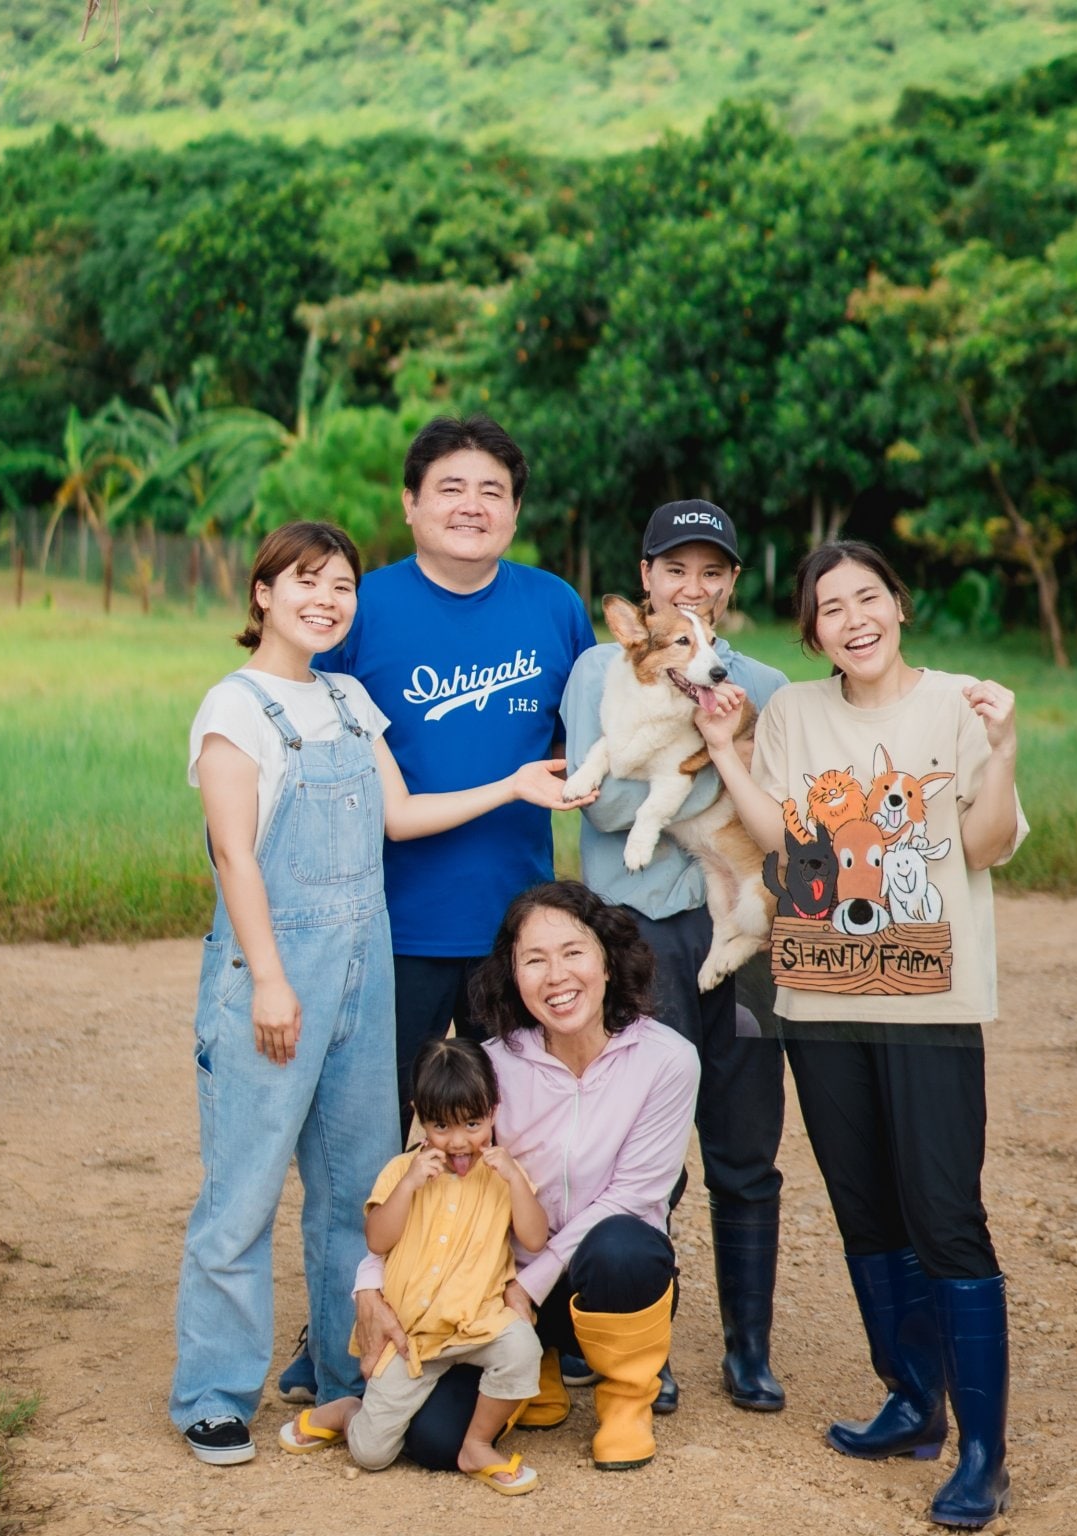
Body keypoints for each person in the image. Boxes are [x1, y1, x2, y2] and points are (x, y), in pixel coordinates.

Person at [171, 522, 591, 1466]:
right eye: (305, 583)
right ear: (263, 595)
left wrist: (514, 785)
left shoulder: (351, 699)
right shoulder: (233, 710)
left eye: (343, 587)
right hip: (272, 974)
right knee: (240, 1195)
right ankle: (212, 1393)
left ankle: (344, 1373)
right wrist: (275, 983)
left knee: (350, 1192)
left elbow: (400, 817)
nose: (326, 600)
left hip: (368, 963)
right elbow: (235, 855)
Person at [693, 540, 1026, 1530]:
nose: (852, 618)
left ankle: (984, 1454)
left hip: (932, 1004)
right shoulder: (794, 712)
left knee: (943, 1212)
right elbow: (781, 836)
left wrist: (1004, 752)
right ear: (812, 633)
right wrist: (720, 750)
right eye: (829, 608)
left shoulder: (960, 703)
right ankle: (913, 1402)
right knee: (866, 1210)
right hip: (819, 997)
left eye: (866, 597)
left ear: (900, 606)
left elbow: (982, 844)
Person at [276, 414, 595, 1406]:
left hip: (516, 936)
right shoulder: (358, 607)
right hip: (392, 924)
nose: (472, 505)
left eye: (493, 490)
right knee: (379, 1140)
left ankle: (527, 1318)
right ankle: (352, 1317)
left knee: (520, 1134)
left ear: (515, 511)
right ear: (411, 504)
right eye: (450, 487)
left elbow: (606, 727)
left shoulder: (553, 608)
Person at [561, 500, 790, 1413]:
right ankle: (639, 1349)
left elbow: (782, 817)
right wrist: (699, 746)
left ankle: (750, 1350)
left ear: (731, 585)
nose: (693, 585)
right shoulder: (598, 672)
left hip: (746, 936)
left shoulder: (764, 683)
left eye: (712, 571)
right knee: (642, 1148)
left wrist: (716, 745)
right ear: (646, 582)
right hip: (640, 932)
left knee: (746, 1144)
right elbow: (603, 806)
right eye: (674, 569)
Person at [351, 881, 700, 1475]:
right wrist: (369, 1285)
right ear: (512, 976)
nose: (556, 976)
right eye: (534, 960)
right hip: (493, 1294)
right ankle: (535, 1370)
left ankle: (626, 1401)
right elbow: (423, 1173)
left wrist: (530, 1286)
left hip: (591, 1276)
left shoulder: (666, 1060)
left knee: (625, 1244)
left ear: (608, 961)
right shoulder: (492, 1063)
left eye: (573, 952)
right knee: (435, 1443)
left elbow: (632, 1197)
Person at [278, 1038, 548, 1496]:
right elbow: (377, 1240)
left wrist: (515, 1182)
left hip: (477, 1324)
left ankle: (478, 1444)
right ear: (419, 1115)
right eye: (441, 1125)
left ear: (495, 1111)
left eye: (473, 1123)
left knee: (522, 1348)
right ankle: (346, 1412)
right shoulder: (402, 1172)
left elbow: (535, 1237)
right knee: (371, 1454)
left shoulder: (506, 1175)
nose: (458, 1140)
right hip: (411, 1339)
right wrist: (407, 1187)